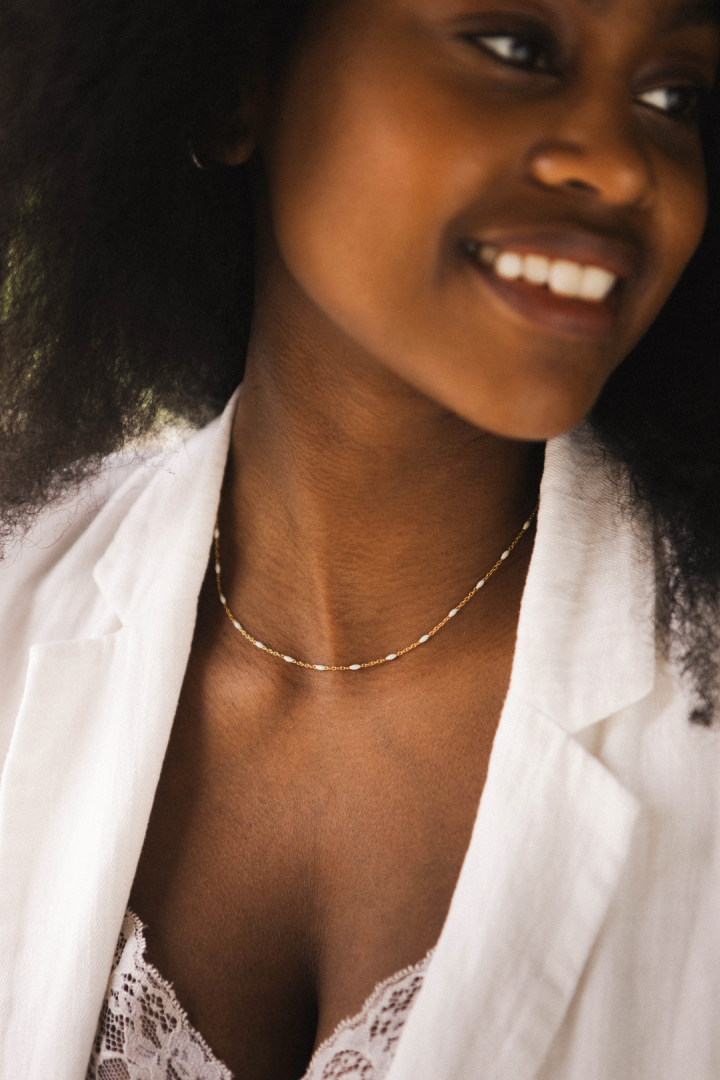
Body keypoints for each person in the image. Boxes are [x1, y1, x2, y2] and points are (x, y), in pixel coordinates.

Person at [1, 0, 720, 1077]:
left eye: (675, 96)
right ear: (237, 83)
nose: (621, 167)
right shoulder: (16, 596)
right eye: (514, 49)